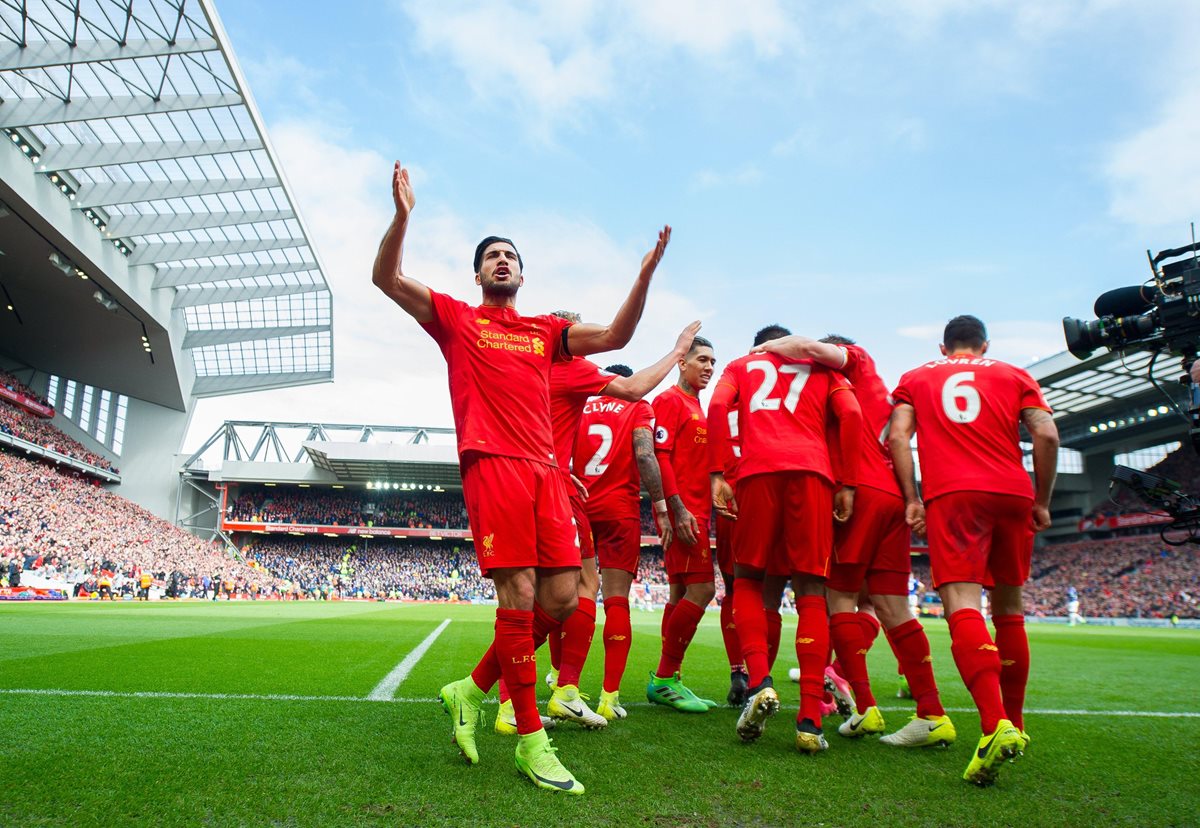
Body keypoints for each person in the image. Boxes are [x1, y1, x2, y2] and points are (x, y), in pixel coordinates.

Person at [372, 160, 671, 795]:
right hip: (494, 466)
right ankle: (532, 742)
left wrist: (642, 278)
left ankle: (469, 688)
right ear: (478, 274)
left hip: (546, 474)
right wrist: (401, 219)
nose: (501, 262)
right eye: (491, 257)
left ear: (523, 273)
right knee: (518, 597)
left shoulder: (545, 333)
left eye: (510, 256)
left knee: (561, 600)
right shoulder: (458, 318)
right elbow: (386, 277)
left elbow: (619, 333)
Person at [494, 316, 701, 734]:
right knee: (601, 596)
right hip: (600, 504)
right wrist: (661, 507)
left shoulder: (536, 378)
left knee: (543, 596)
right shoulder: (589, 382)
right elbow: (646, 451)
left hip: (548, 488)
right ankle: (597, 694)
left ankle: (538, 688)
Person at [751, 333, 954, 748]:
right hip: (891, 497)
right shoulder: (877, 391)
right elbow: (899, 441)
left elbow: (813, 348)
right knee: (892, 606)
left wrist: (766, 349)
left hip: (857, 492)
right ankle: (932, 713)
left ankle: (865, 707)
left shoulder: (853, 366)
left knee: (838, 599)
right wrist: (912, 497)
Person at [887, 314, 1059, 786]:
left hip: (955, 495)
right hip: (1012, 491)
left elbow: (898, 437)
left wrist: (911, 499)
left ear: (943, 347)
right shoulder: (1014, 374)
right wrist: (1041, 500)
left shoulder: (917, 377)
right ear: (986, 344)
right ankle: (1017, 725)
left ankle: (992, 726)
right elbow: (1046, 433)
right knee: (1009, 607)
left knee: (962, 603)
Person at [708, 324, 862, 753]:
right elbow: (851, 415)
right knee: (813, 589)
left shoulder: (741, 366)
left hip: (757, 473)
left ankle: (759, 681)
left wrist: (718, 472)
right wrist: (847, 482)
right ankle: (810, 719)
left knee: (749, 580)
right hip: (813, 474)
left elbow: (718, 407)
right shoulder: (820, 367)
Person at [573, 364, 672, 720]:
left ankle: (563, 683)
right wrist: (660, 507)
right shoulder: (639, 405)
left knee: (575, 595)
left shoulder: (580, 404)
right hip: (620, 510)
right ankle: (609, 697)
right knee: (616, 602)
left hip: (579, 503)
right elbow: (646, 455)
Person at [645, 336, 720, 714]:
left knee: (678, 593)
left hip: (696, 512)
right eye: (702, 360)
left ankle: (669, 680)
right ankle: (663, 676)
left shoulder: (697, 406)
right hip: (685, 513)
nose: (709, 367)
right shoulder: (670, 401)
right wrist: (676, 507)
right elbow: (662, 455)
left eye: (713, 362)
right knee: (703, 589)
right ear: (682, 364)